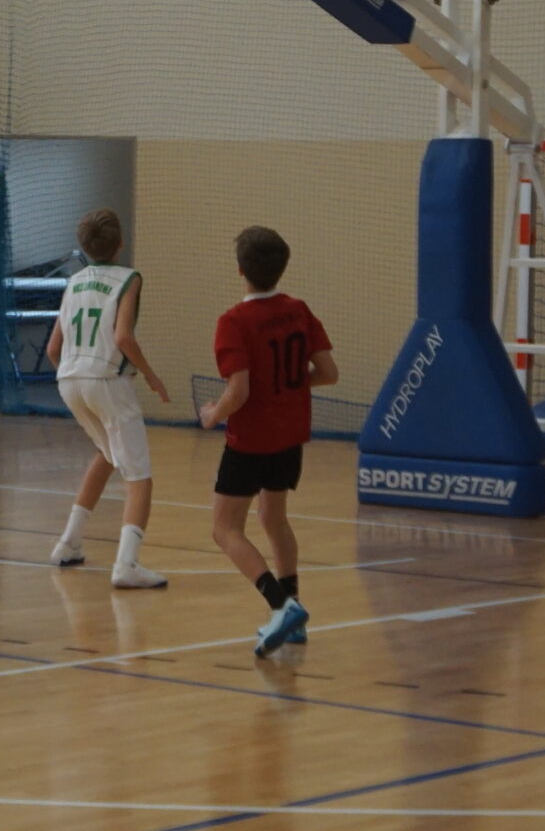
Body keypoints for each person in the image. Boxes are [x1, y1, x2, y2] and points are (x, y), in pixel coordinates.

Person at [196, 225, 337, 655]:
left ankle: (281, 606)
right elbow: (328, 373)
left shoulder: (233, 322)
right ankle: (293, 616)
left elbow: (238, 391)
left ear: (241, 270)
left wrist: (212, 414)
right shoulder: (298, 310)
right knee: (274, 519)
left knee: (224, 529)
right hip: (290, 435)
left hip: (250, 440)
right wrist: (286, 388)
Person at [44, 208, 173, 588]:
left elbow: (53, 348)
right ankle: (127, 564)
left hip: (69, 378)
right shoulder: (128, 279)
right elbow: (123, 338)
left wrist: (76, 373)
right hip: (105, 380)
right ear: (120, 243)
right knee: (139, 476)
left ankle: (68, 542)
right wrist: (151, 376)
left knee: (106, 454)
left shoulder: (74, 282)